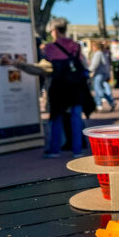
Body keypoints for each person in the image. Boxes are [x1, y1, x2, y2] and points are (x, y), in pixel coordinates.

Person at [42, 18, 91, 157]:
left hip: (59, 86)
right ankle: (77, 149)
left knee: (56, 116)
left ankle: (54, 149)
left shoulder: (50, 48)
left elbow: (46, 66)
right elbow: (82, 63)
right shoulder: (76, 45)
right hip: (76, 86)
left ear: (55, 31)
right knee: (76, 116)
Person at [88, 40, 115, 111]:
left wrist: (89, 70)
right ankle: (98, 104)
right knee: (97, 90)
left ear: (96, 47)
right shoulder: (103, 53)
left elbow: (95, 64)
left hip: (99, 74)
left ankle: (110, 101)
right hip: (103, 74)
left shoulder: (98, 54)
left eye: (93, 46)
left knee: (99, 90)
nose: (92, 48)